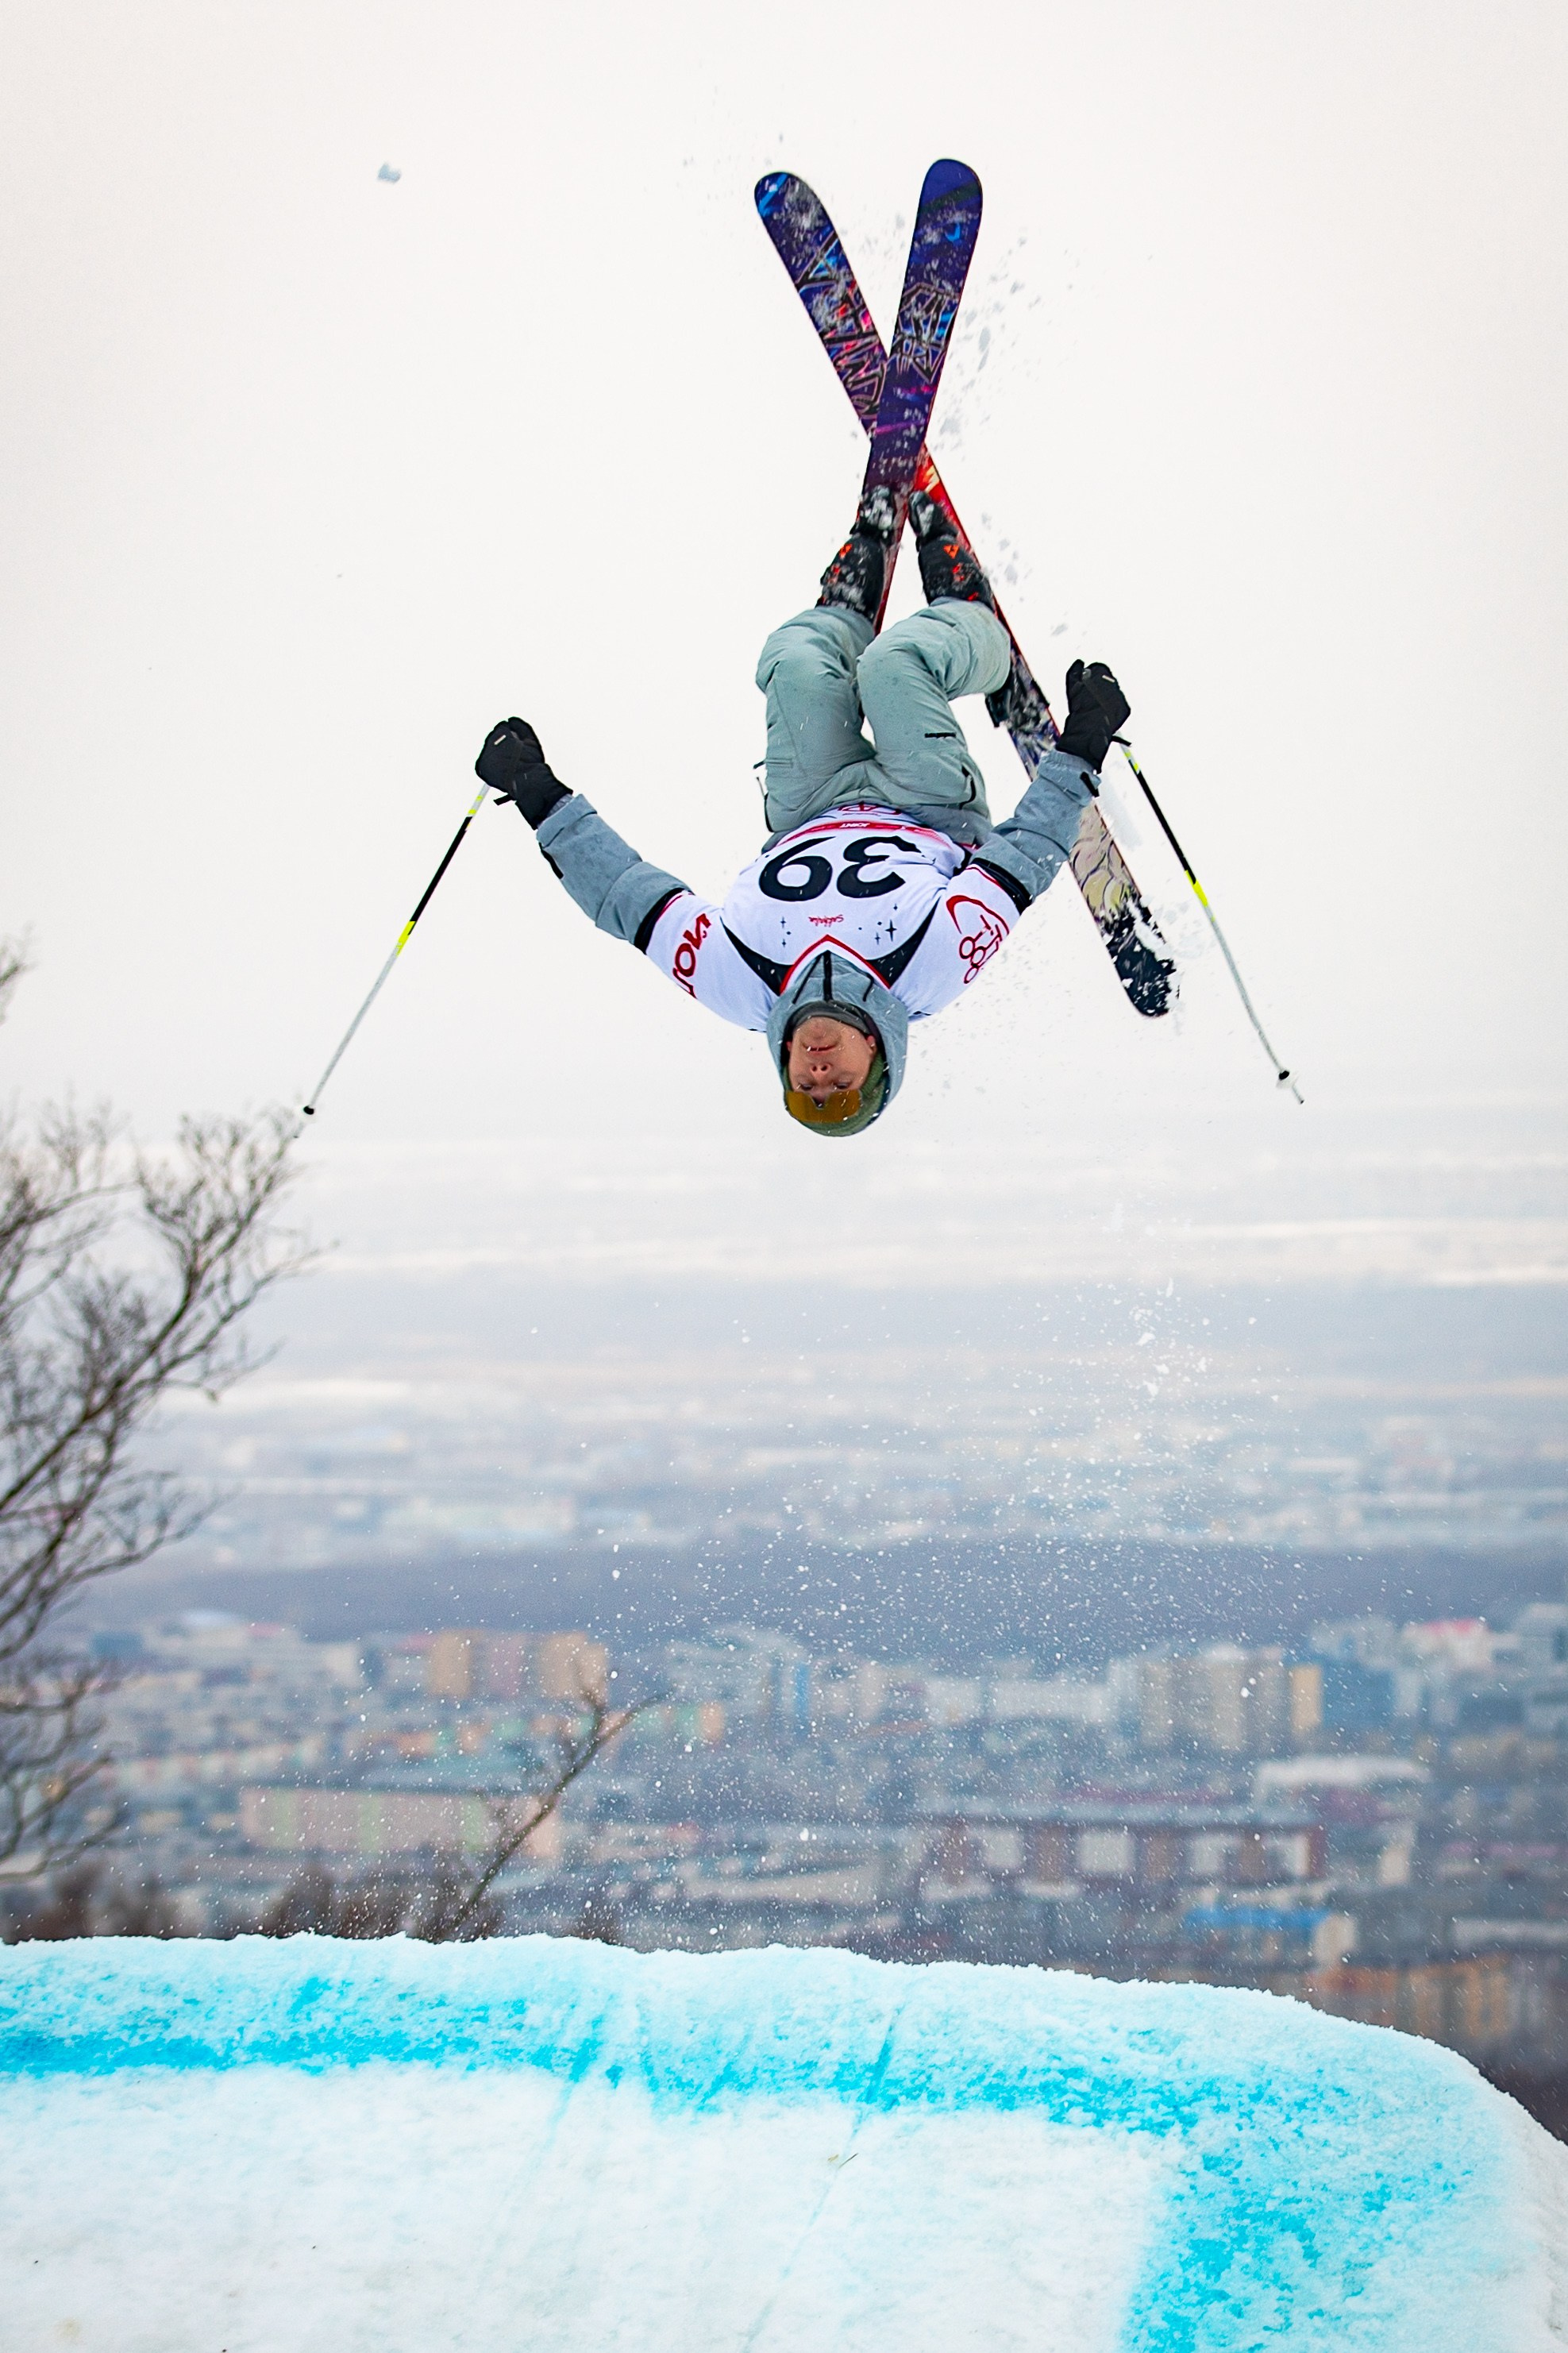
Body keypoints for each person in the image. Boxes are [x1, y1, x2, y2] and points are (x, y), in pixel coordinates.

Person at [476, 488, 1130, 1137]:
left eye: (806, 1085)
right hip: (927, 806)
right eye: (840, 1084)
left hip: (809, 806)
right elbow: (1023, 853)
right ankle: (969, 620)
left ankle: (847, 600)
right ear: (875, 1054)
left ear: (784, 1063)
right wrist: (1080, 749)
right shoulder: (929, 970)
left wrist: (539, 796)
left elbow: (625, 895)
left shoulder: (734, 984)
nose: (819, 1070)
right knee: (893, 666)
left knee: (791, 666)